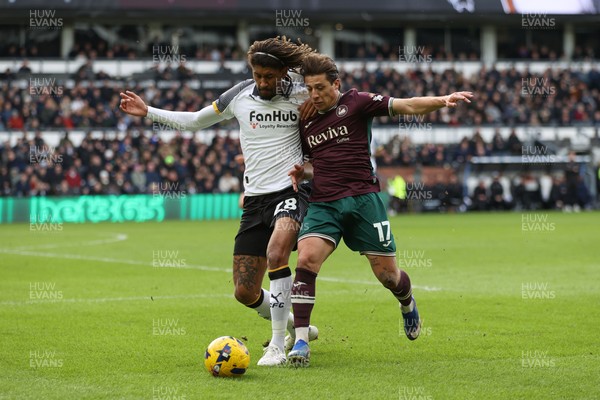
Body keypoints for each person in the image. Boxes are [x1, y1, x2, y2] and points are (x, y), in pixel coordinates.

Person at [119, 37, 318, 366]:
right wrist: (148, 112)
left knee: (277, 252)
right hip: (255, 199)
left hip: (292, 190)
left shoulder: (301, 89)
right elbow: (196, 120)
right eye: (257, 75)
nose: (263, 82)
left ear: (283, 70)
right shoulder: (239, 96)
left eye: (269, 75)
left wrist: (317, 96)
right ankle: (299, 324)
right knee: (244, 291)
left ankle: (278, 348)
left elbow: (334, 79)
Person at [286, 53, 473, 366]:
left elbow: (407, 105)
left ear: (336, 84)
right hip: (324, 202)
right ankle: (302, 342)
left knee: (387, 276)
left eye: (320, 88)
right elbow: (314, 164)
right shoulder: (305, 118)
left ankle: (406, 301)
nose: (315, 95)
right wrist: (301, 172)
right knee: (306, 259)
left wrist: (442, 99)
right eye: (309, 89)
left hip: (363, 201)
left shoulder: (358, 103)